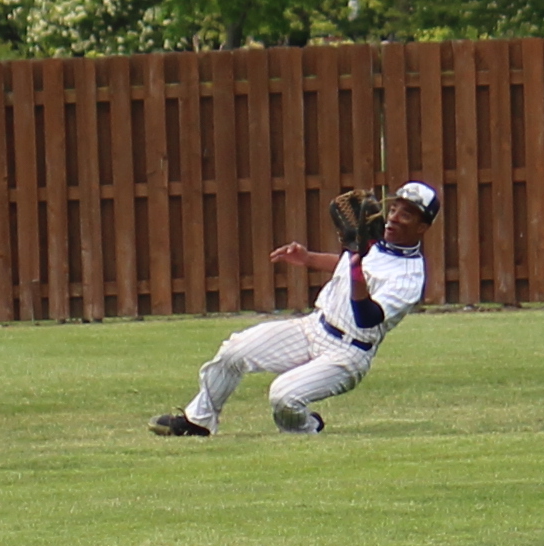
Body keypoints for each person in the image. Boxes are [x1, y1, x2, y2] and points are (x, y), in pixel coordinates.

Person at [153, 179, 439, 437]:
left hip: (348, 353)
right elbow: (346, 263)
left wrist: (355, 264)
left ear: (422, 227)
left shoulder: (409, 276)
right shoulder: (376, 242)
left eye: (407, 214)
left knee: (283, 396)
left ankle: (306, 428)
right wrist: (307, 258)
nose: (394, 218)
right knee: (234, 351)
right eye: (394, 209)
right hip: (313, 327)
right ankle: (198, 421)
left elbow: (366, 318)